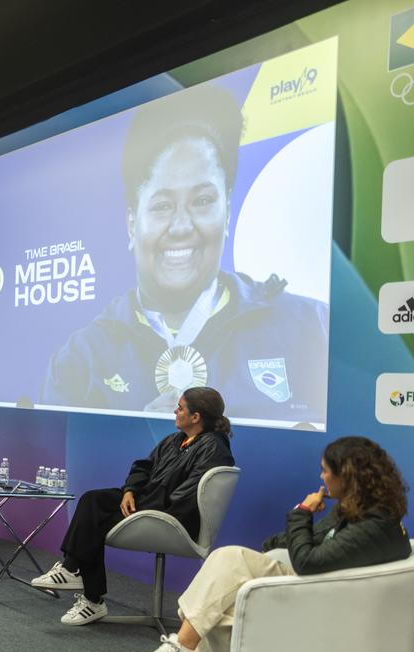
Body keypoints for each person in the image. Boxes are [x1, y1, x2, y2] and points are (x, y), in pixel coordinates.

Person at [42, 82, 329, 424]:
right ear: (132, 222)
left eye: (203, 201)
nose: (181, 226)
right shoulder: (82, 357)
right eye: (162, 205)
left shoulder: (311, 329)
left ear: (228, 212)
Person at [134, 436, 411, 652]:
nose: (321, 477)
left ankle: (192, 651)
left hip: (325, 599)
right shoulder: (358, 511)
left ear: (347, 476)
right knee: (226, 574)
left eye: (326, 470)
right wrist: (275, 542)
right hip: (318, 585)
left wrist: (301, 513)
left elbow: (307, 561)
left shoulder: (374, 526)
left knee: (227, 583)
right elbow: (315, 540)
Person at [31, 387, 235, 625]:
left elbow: (186, 496)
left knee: (96, 521)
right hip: (146, 502)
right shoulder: (175, 440)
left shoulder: (214, 448)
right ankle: (74, 574)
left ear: (196, 416)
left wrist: (145, 505)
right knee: (92, 500)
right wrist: (130, 491)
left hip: (169, 517)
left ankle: (87, 592)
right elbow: (143, 467)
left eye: (180, 408)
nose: (175, 411)